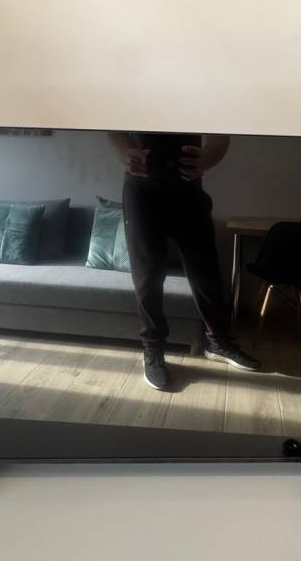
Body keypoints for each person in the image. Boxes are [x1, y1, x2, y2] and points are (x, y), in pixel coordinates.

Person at [109, 132, 260, 391]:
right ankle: (153, 350)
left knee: (206, 272)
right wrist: (125, 154)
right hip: (141, 190)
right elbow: (114, 130)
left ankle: (218, 343)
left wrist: (205, 160)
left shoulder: (201, 101)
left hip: (188, 189)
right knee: (147, 276)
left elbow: (220, 137)